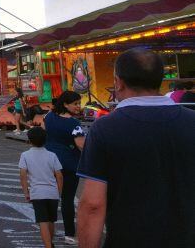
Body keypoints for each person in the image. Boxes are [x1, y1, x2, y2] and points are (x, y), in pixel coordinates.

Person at [78, 49, 195, 247]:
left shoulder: (106, 128)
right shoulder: (191, 121)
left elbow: (93, 205)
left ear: (118, 82)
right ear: (160, 80)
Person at [43, 90, 84, 245]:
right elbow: (81, 145)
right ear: (66, 104)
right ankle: (69, 234)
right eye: (75, 104)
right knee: (67, 199)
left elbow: (43, 132)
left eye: (79, 103)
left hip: (49, 162)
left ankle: (48, 231)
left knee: (50, 197)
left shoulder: (49, 117)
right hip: (69, 164)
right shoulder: (74, 124)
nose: (78, 106)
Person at [19, 127, 63, 248]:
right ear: (45, 140)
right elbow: (59, 175)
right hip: (52, 193)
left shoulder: (25, 155)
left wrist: (26, 192)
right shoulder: (52, 155)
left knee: (42, 221)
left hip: (37, 193)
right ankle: (51, 243)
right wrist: (58, 191)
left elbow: (23, 175)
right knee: (51, 220)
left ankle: (48, 246)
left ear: (29, 140)